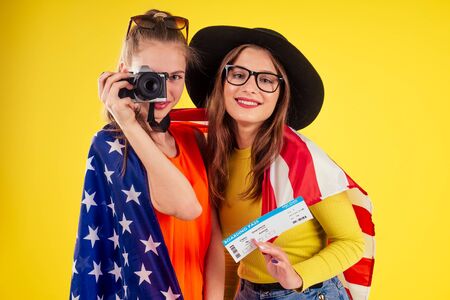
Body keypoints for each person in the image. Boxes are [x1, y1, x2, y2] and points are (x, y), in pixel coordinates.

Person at [186, 26, 375, 299]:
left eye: (266, 80)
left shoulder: (301, 160)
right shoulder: (215, 154)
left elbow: (351, 242)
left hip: (305, 293)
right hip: (248, 291)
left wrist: (296, 276)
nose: (250, 88)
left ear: (280, 95)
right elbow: (233, 249)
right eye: (238, 75)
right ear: (221, 83)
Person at [70, 10, 224, 300]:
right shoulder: (111, 145)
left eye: (175, 76)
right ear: (123, 72)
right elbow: (186, 206)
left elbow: (213, 236)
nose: (164, 90)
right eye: (151, 77)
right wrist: (126, 121)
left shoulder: (193, 139)